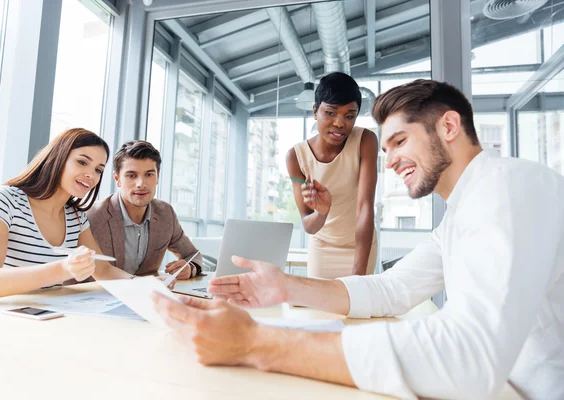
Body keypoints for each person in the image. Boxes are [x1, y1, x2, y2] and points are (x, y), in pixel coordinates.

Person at [152, 80, 564, 400]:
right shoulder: (463, 211)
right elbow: (393, 288)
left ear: (449, 126)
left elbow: (469, 356)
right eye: (386, 149)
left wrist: (254, 342)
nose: (392, 160)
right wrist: (286, 287)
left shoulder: (508, 188)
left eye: (400, 141)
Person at [0, 128, 135, 301]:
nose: (90, 175)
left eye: (98, 170)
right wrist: (63, 269)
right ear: (59, 157)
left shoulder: (75, 218)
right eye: (82, 162)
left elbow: (104, 270)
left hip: (42, 316)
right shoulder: (5, 200)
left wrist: (147, 286)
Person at [286, 72, 378, 278]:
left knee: (356, 309)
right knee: (319, 310)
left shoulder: (365, 141)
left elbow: (365, 208)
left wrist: (359, 274)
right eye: (330, 113)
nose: (339, 123)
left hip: (361, 248)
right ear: (315, 111)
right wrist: (322, 212)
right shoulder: (296, 157)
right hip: (322, 248)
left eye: (349, 116)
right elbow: (309, 225)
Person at [87, 140, 202, 280]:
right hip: (98, 296)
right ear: (117, 179)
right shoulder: (94, 216)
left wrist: (190, 268)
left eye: (149, 174)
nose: (141, 184)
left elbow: (192, 255)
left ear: (158, 177)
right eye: (131, 175)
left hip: (148, 298)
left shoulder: (165, 213)